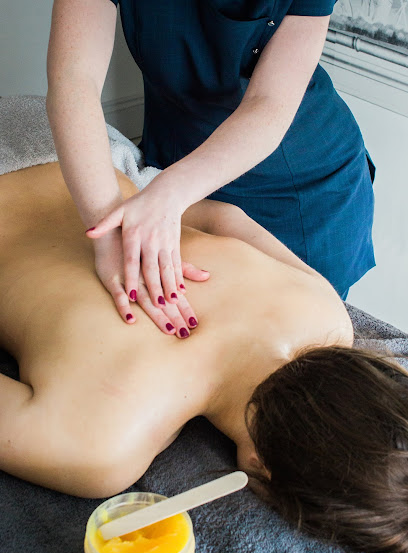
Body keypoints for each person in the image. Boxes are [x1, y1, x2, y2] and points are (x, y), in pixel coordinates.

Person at [0, 161, 407, 553]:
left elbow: (223, 217)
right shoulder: (104, 449)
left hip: (68, 152)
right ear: (260, 468)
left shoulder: (324, 312)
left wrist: (130, 211)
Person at [46, 0, 376, 329]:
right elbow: (73, 78)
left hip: (300, 187)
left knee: (305, 331)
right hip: (173, 164)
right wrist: (107, 235)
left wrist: (168, 195)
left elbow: (269, 104)